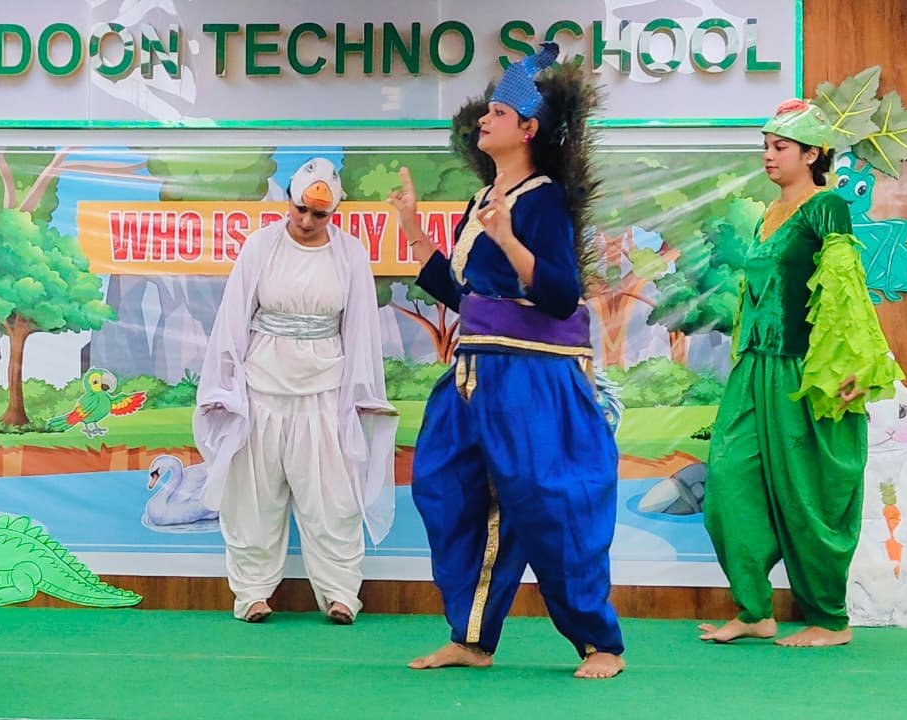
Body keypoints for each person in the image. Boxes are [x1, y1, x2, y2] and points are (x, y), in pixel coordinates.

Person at [387, 43, 625, 679]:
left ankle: (599, 642)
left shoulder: (543, 199)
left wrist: (509, 239)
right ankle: (471, 637)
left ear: (528, 129)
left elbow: (559, 294)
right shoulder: (481, 201)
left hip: (532, 377)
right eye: (485, 111)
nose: (483, 121)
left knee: (550, 505)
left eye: (497, 113)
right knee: (449, 493)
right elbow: (467, 296)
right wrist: (413, 230)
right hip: (474, 373)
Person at [697, 99, 903, 647]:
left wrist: (854, 361)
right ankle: (754, 611)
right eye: (766, 146)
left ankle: (830, 620)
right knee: (728, 483)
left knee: (806, 494)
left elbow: (845, 283)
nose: (768, 155)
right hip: (754, 369)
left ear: (812, 154)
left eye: (780, 146)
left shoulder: (826, 206)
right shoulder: (769, 213)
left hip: (801, 373)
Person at [194, 158, 397, 625]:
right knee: (252, 500)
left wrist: (362, 393)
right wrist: (223, 385)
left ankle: (341, 593)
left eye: (319, 214)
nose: (306, 221)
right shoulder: (260, 246)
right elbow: (233, 317)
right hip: (260, 390)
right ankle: (251, 594)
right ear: (288, 201)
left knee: (333, 502)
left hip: (325, 393)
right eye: (300, 209)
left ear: (335, 212)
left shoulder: (350, 254)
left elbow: (360, 329)